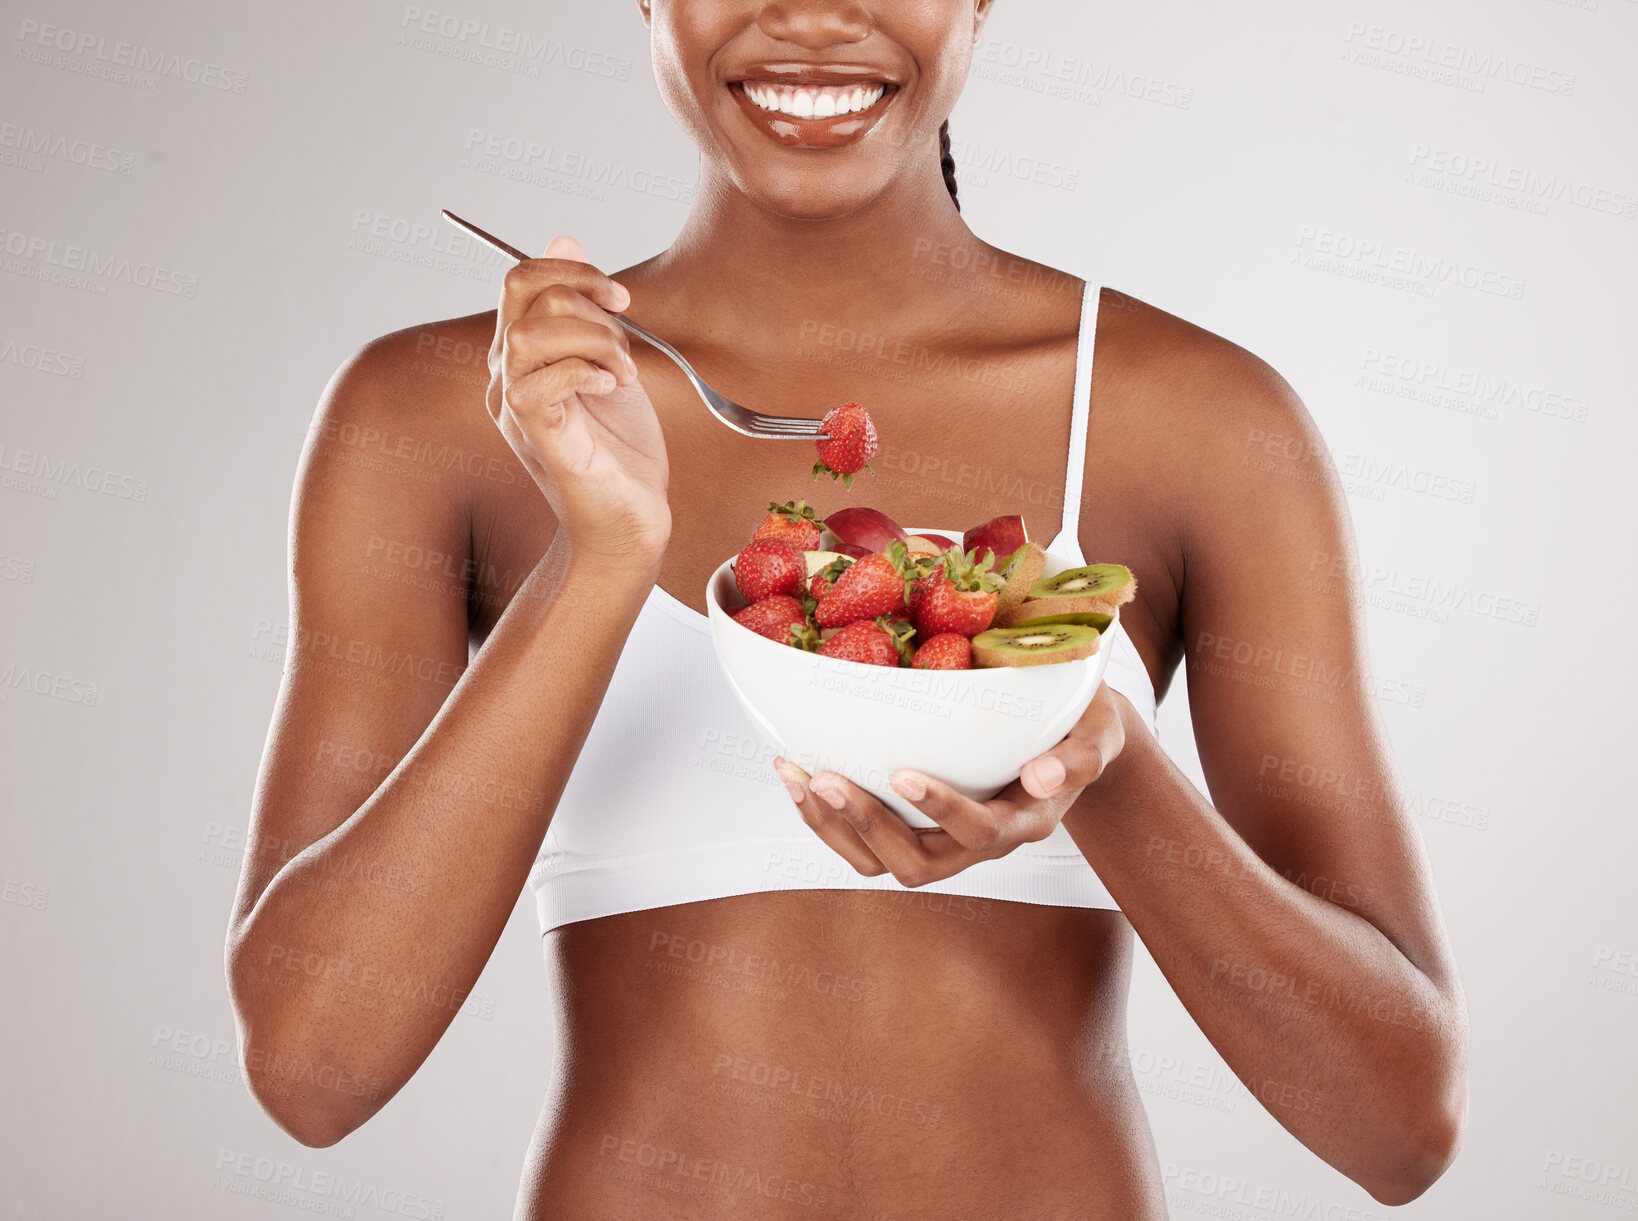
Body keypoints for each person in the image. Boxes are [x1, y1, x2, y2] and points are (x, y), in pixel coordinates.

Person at [226, 2, 1469, 1215]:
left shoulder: (1203, 421)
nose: (813, 18)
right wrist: (601, 554)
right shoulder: (433, 415)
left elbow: (1397, 1129)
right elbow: (314, 1069)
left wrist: (1099, 767)